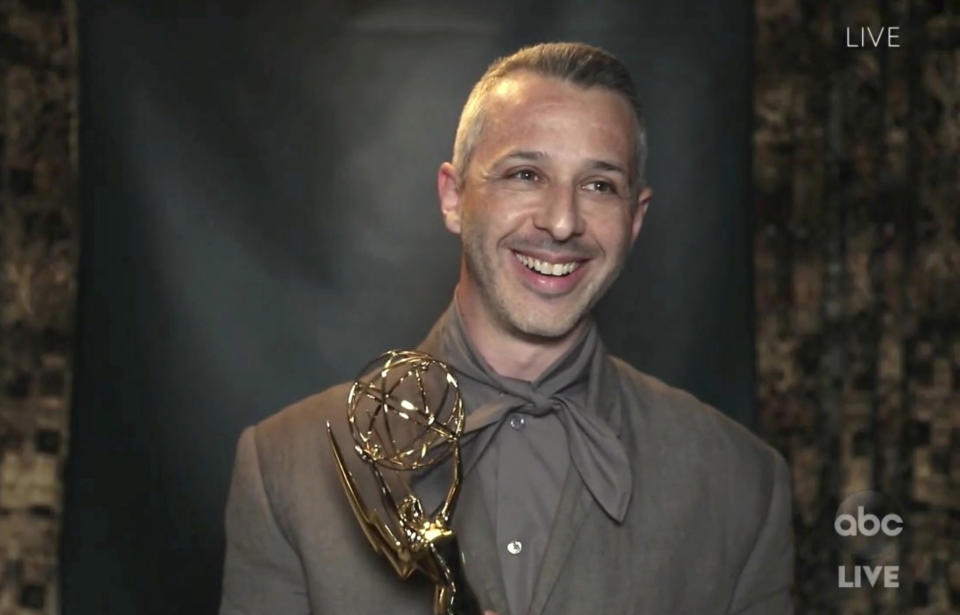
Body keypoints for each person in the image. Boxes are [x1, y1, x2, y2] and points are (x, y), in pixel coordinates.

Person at [219, 42, 794, 615]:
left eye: (599, 186)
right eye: (526, 174)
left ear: (635, 219)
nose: (562, 222)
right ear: (453, 197)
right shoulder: (285, 468)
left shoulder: (743, 485)